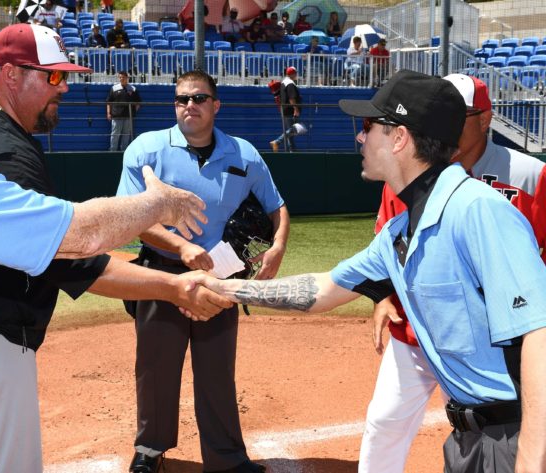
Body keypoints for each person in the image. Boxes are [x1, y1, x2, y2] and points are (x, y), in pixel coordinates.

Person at [190, 70, 546, 473]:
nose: (361, 138)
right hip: (470, 438)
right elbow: (323, 289)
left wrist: (531, 462)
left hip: (517, 436)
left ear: (400, 139)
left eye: (369, 127)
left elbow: (539, 335)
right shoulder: (401, 229)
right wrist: (224, 289)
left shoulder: (479, 211)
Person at [0, 26, 211, 473]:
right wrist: (169, 264)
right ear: (11, 75)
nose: (64, 86)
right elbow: (75, 249)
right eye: (52, 77)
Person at [358, 73, 546, 473]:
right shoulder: (404, 173)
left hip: (489, 344)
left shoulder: (530, 174)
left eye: (462, 114)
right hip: (415, 332)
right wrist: (381, 297)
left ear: (485, 119)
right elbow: (386, 252)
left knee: (486, 426)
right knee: (385, 422)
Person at [117, 69, 290, 473]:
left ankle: (227, 459)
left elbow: (276, 206)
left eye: (198, 98)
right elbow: (129, 218)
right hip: (162, 275)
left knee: (216, 370)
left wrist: (278, 245)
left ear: (215, 104)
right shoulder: (147, 150)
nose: (189, 106)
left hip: (220, 277)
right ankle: (150, 452)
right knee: (156, 368)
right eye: (181, 99)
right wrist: (180, 246)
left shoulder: (243, 154)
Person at [270, 66, 303, 152]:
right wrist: (296, 109)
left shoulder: (284, 82)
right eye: (296, 73)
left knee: (290, 133)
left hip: (284, 110)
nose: (296, 74)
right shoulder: (290, 83)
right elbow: (292, 98)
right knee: (295, 128)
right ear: (292, 74)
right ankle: (277, 142)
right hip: (290, 111)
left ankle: (292, 151)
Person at [106, 70, 141, 152]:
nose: (121, 79)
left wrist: (133, 112)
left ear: (127, 78)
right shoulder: (114, 88)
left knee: (126, 136)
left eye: (123, 77)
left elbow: (138, 102)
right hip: (116, 117)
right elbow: (108, 102)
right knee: (115, 135)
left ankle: (123, 152)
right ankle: (112, 151)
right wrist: (108, 113)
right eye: (120, 77)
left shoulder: (133, 89)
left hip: (128, 117)